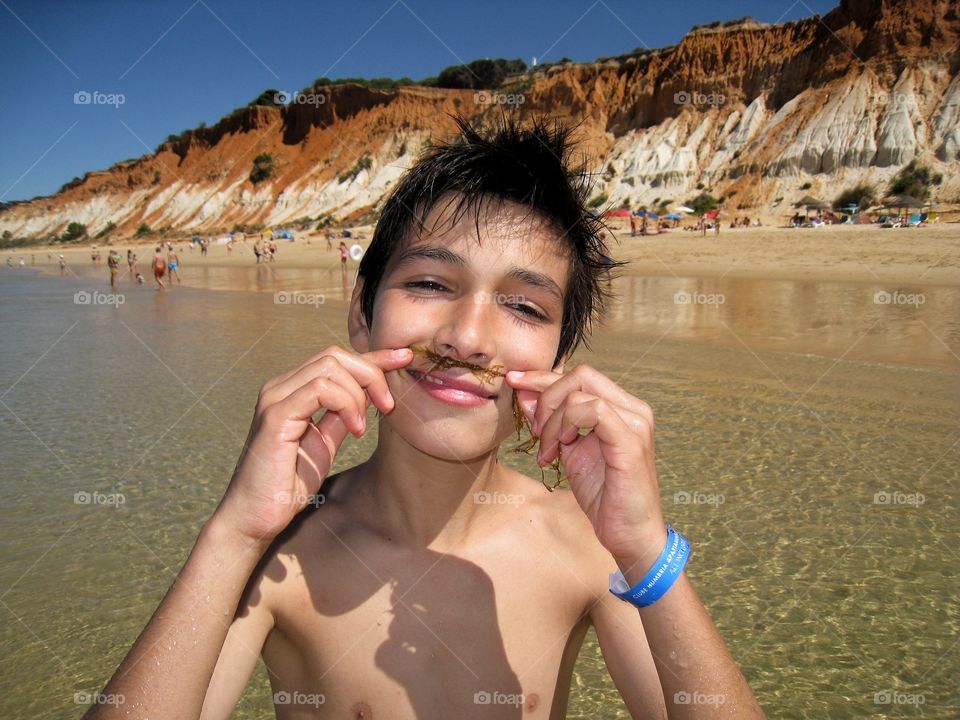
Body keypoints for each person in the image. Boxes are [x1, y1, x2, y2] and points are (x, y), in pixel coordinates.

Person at [86, 118, 765, 720]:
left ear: (559, 358)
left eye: (525, 307)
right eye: (431, 284)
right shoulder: (282, 556)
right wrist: (233, 532)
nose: (468, 338)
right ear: (362, 311)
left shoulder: (589, 546)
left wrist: (648, 549)